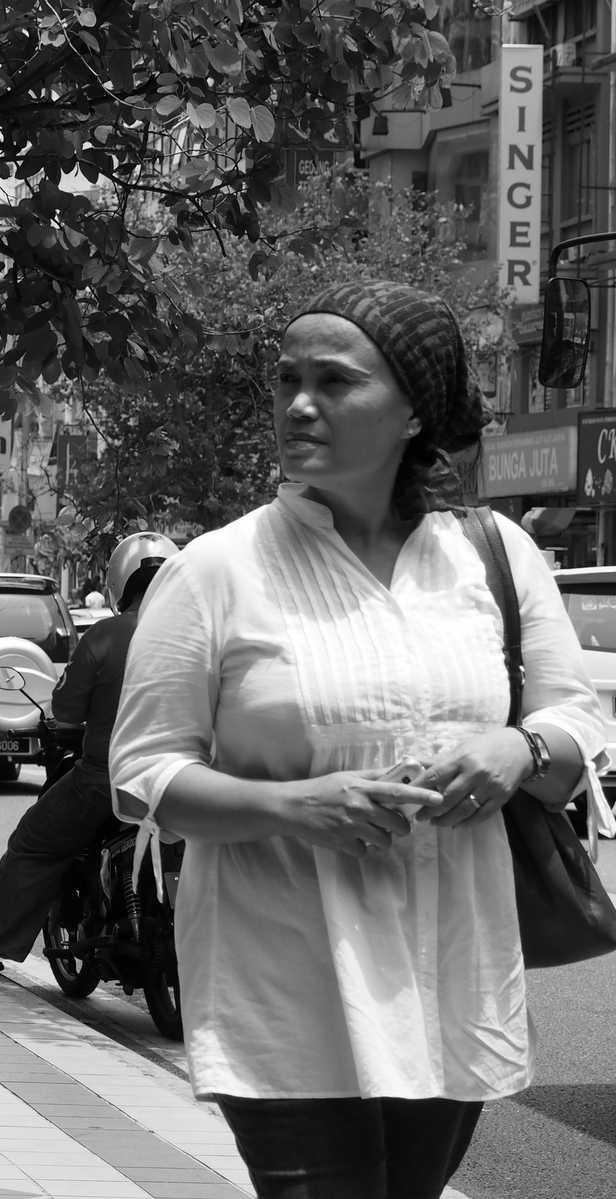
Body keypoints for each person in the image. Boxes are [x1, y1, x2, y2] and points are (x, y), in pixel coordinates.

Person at [109, 280, 607, 1199]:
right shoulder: (219, 568)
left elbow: (579, 722)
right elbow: (145, 771)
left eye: (334, 382)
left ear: (413, 408)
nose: (299, 404)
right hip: (282, 967)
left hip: (450, 963)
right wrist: (296, 806)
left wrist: (517, 752)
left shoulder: (494, 553)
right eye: (287, 379)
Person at [0, 533, 177, 972]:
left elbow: (65, 710)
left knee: (31, 843)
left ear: (119, 584)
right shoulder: (199, 634)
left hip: (106, 779)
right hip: (187, 781)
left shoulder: (105, 635)